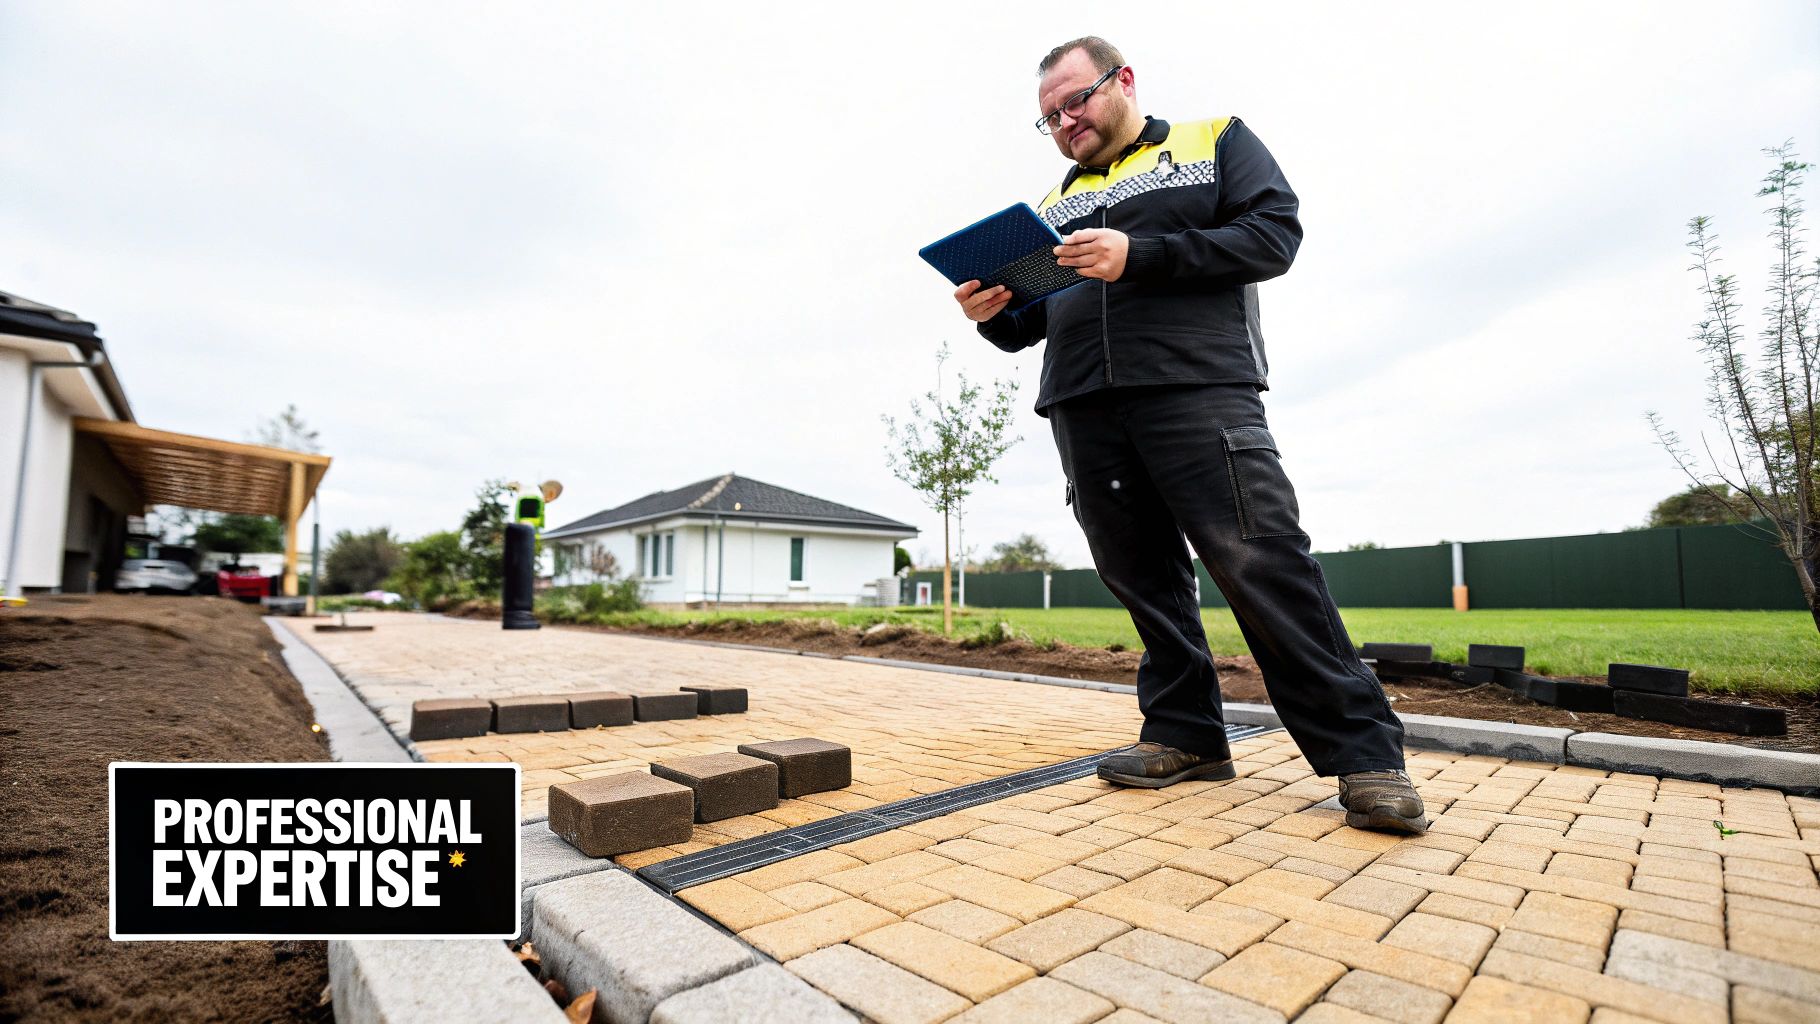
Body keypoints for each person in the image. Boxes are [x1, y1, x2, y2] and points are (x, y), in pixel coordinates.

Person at [955, 36, 1426, 834]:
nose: (1066, 121)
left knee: (1261, 561)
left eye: (1077, 100)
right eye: (1050, 117)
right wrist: (995, 315)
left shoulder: (1215, 142)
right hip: (1083, 404)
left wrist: (1140, 254)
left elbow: (1274, 236)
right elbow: (1035, 319)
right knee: (1141, 577)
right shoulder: (1057, 202)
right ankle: (1186, 735)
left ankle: (1366, 754)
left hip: (1197, 387)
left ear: (1123, 80)